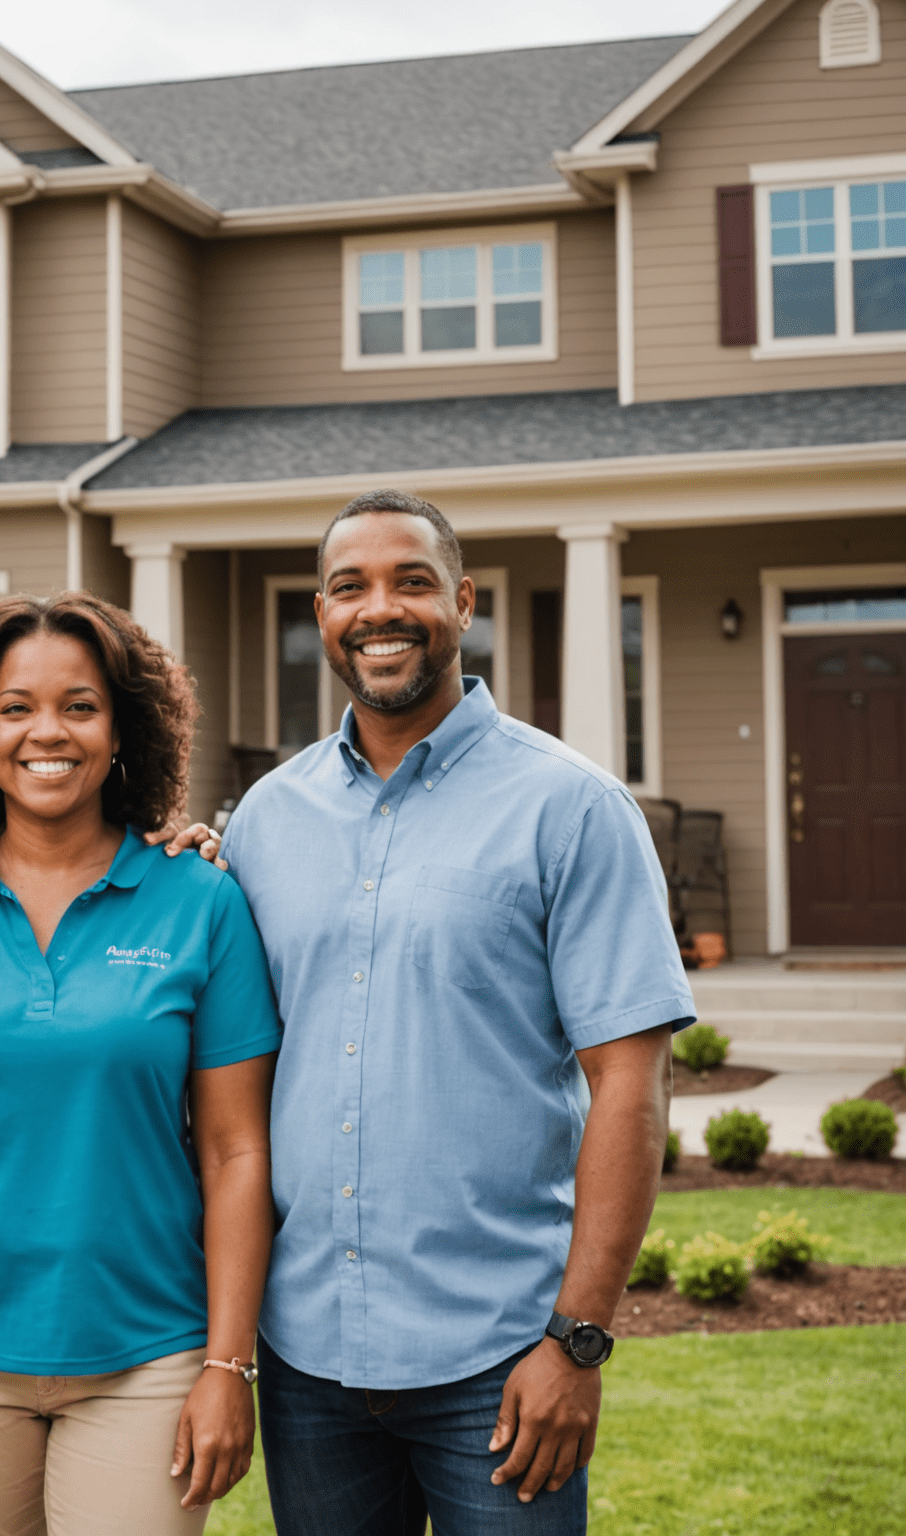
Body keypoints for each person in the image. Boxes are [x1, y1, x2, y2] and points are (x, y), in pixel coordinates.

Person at [215, 490, 695, 1534]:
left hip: (501, 1358)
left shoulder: (571, 807)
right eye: (351, 587)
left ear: (463, 602)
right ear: (323, 611)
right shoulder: (262, 822)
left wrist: (577, 1341)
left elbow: (631, 1081)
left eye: (412, 581)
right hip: (309, 1361)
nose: (380, 609)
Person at [0, 593, 282, 1536]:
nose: (49, 732)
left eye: (80, 705)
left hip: (150, 1356)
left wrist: (226, 1366)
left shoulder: (200, 903)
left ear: (121, 730)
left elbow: (237, 1153)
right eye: (16, 707)